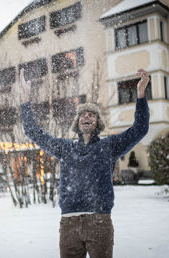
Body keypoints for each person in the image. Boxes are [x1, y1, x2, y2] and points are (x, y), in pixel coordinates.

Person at [19, 68, 150, 258]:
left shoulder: (109, 146)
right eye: (82, 114)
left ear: (98, 123)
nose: (86, 116)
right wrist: (24, 101)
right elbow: (34, 133)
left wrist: (140, 94)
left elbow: (140, 129)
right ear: (77, 122)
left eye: (91, 114)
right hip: (69, 223)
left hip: (99, 221)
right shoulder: (65, 147)